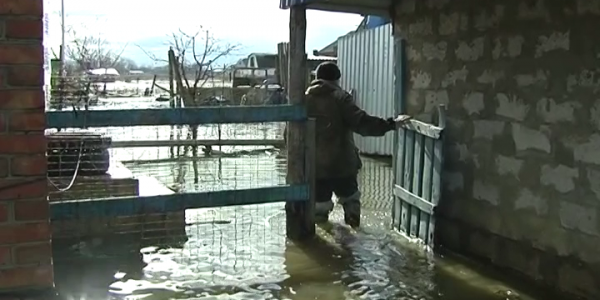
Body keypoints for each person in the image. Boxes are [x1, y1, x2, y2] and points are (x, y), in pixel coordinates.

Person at [306, 62, 410, 228]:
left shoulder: (303, 99)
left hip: (315, 167)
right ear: (337, 79)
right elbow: (362, 123)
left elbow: (290, 134)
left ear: (317, 78)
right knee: (351, 203)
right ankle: (354, 247)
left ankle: (320, 249)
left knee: (319, 211)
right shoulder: (341, 97)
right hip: (342, 164)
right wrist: (391, 124)